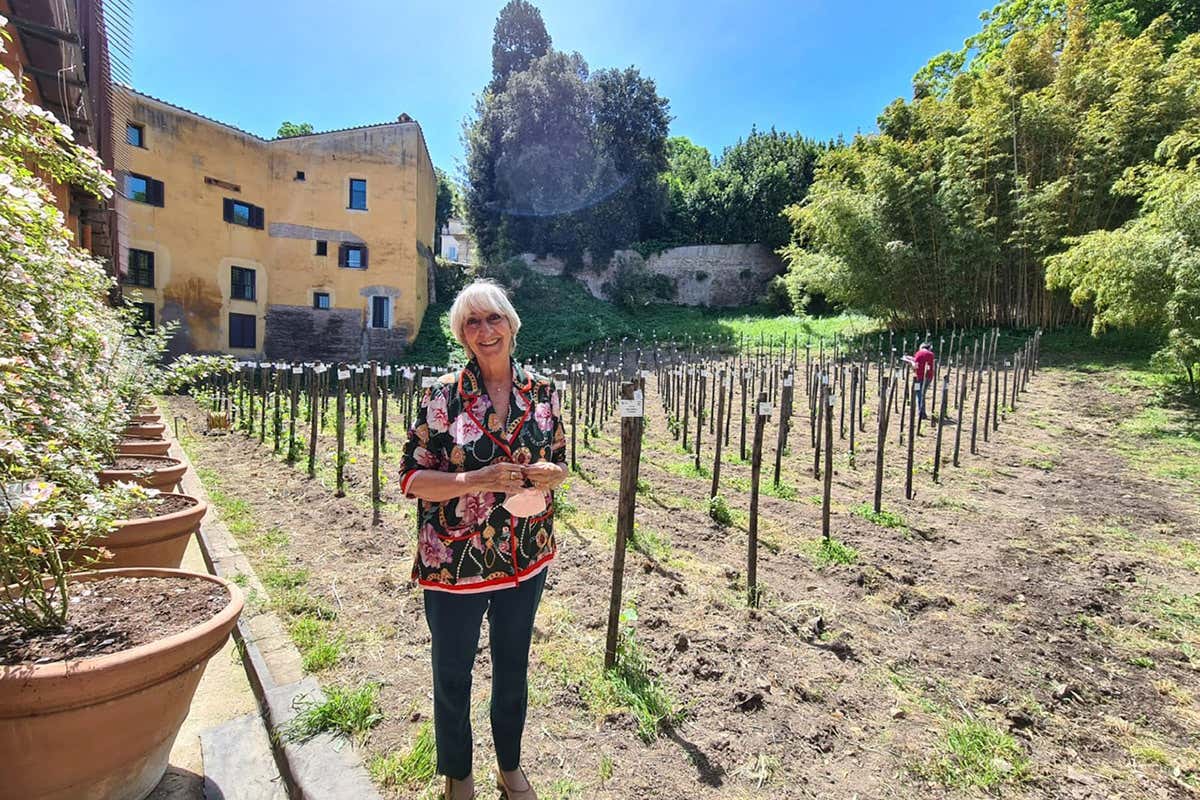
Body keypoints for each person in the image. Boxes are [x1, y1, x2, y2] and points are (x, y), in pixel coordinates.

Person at [400, 280, 568, 800]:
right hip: (455, 563)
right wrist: (477, 480)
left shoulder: (543, 392)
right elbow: (410, 478)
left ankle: (510, 768)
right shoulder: (441, 396)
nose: (485, 330)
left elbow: (561, 461)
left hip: (525, 554)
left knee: (513, 668)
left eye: (493, 318)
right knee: (453, 672)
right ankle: (459, 775)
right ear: (462, 334)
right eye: (472, 322)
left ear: (511, 324)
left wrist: (549, 474)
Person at [911, 342, 935, 422]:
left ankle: (921, 412)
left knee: (919, 393)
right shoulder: (931, 354)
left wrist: (911, 363)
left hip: (918, 377)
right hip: (928, 377)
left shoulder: (918, 353)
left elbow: (915, 366)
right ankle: (921, 411)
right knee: (922, 393)